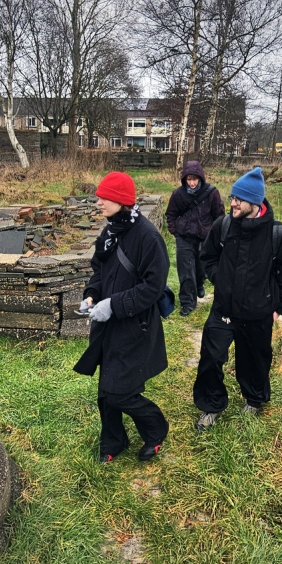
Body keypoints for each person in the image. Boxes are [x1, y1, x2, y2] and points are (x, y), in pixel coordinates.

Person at [193, 166, 282, 431]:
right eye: (232, 198)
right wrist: (221, 279)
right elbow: (207, 256)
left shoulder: (278, 235)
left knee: (255, 361)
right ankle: (211, 405)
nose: (232, 203)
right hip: (223, 310)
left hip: (258, 314)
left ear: (254, 201)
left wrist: (277, 309)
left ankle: (253, 400)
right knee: (210, 359)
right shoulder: (225, 225)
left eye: (238, 199)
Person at [74, 171, 171, 462]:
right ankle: (113, 443)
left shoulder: (148, 237)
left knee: (120, 392)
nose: (99, 202)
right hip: (108, 325)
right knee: (106, 390)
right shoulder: (110, 232)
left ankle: (156, 429)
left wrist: (113, 306)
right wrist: (92, 294)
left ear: (122, 201)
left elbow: (153, 288)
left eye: (104, 197)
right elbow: (99, 271)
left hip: (135, 326)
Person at [164, 161, 225, 316]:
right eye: (188, 179)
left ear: (200, 178)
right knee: (186, 272)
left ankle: (199, 284)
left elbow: (219, 215)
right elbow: (170, 214)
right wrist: (175, 231)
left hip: (205, 238)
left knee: (201, 268)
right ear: (184, 179)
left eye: (194, 179)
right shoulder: (178, 194)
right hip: (184, 237)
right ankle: (188, 303)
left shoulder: (212, 193)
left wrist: (215, 235)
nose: (191, 183)